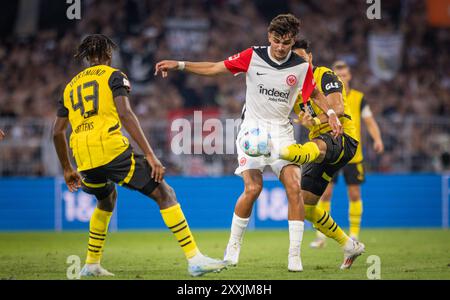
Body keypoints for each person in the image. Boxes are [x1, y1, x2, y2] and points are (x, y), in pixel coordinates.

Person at [155, 14, 342, 272]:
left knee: (294, 186)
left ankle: (294, 256)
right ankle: (232, 250)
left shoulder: (301, 66)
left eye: (285, 43)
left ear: (292, 41)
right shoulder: (252, 56)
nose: (280, 47)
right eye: (276, 41)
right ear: (269, 38)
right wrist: (179, 64)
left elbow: (315, 93)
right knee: (253, 189)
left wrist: (331, 113)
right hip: (252, 130)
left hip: (281, 132)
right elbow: (215, 68)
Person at [53, 34, 227, 277]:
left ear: (86, 57)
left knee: (106, 199)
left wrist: (67, 168)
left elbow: (57, 132)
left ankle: (91, 264)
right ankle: (195, 259)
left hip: (83, 157)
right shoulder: (114, 75)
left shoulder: (70, 87)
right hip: (110, 148)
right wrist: (150, 155)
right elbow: (125, 114)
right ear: (109, 55)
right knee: (165, 193)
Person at [279, 39, 365, 269]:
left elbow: (337, 107)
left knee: (307, 148)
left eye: (300, 57)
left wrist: (315, 120)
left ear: (310, 57)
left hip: (342, 138)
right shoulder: (293, 91)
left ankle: (286, 153)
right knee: (305, 206)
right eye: (292, 59)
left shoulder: (325, 75)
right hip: (321, 148)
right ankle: (349, 245)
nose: (298, 63)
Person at [309, 60, 384, 248]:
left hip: (353, 154)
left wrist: (377, 139)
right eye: (338, 75)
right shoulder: (324, 95)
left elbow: (369, 121)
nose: (341, 78)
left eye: (344, 75)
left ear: (349, 76)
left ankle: (354, 234)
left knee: (354, 193)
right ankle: (321, 237)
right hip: (332, 148)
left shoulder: (359, 98)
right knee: (325, 194)